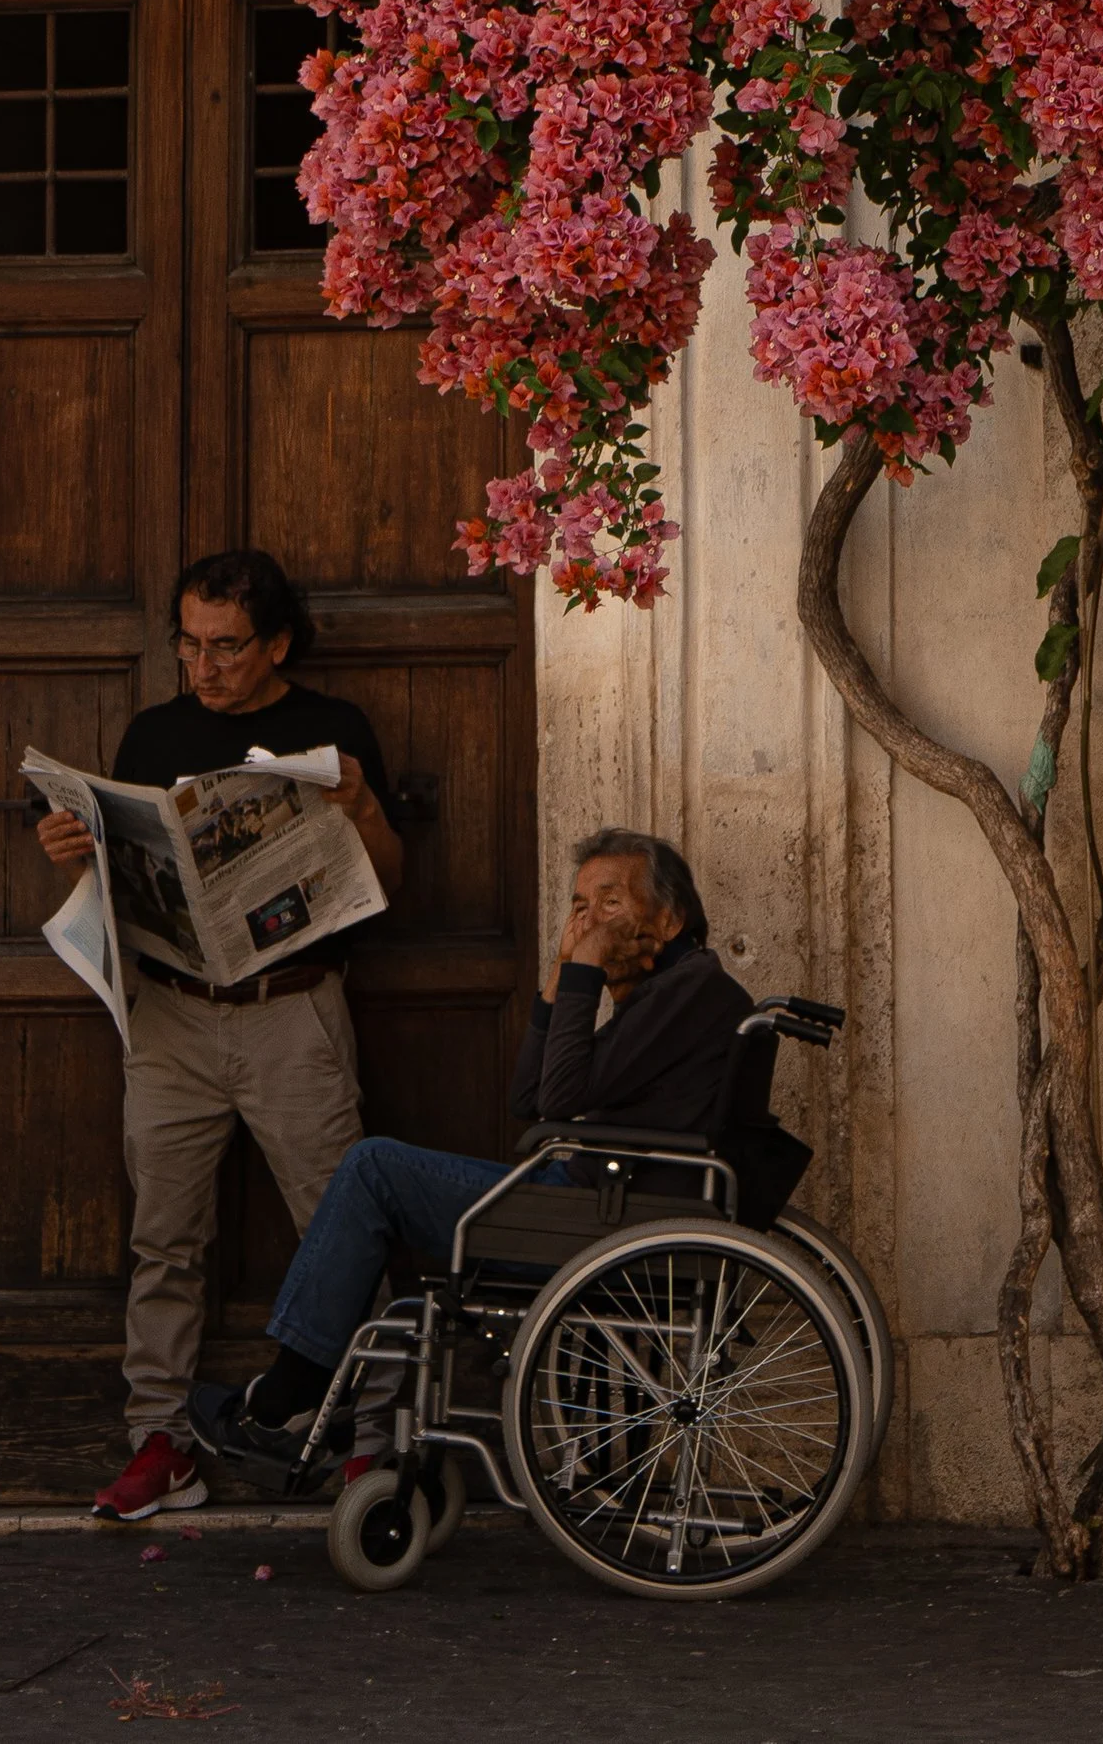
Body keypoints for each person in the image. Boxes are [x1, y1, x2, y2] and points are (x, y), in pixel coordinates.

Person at [189, 828, 751, 1475]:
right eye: (578, 906)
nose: (589, 920)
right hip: (596, 1206)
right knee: (377, 1172)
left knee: (374, 1168)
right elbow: (529, 1097)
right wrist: (556, 982)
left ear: (670, 917)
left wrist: (585, 971)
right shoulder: (667, 995)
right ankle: (300, 1396)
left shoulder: (688, 992)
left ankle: (288, 1399)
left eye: (610, 902)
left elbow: (559, 1101)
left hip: (607, 1221)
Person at [38, 549, 407, 1523]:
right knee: (163, 1236)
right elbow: (124, 888)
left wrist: (362, 802)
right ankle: (158, 1441)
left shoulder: (331, 731)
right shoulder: (155, 732)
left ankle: (367, 1440)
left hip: (292, 1007)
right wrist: (77, 853)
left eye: (228, 647)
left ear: (277, 643)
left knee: (340, 1230)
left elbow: (392, 884)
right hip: (171, 1015)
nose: (205, 667)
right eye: (190, 645)